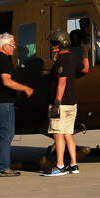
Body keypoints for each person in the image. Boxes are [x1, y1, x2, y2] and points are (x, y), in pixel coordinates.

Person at [0, 33, 34, 177]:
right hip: (3, 102)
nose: (14, 47)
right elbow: (6, 81)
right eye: (12, 45)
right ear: (5, 46)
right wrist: (25, 88)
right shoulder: (4, 60)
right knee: (6, 133)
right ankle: (2, 167)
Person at [42, 29, 81, 176]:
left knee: (58, 134)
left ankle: (59, 165)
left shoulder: (62, 60)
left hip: (61, 103)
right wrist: (85, 53)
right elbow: (85, 68)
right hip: (72, 102)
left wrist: (56, 103)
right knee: (68, 133)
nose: (52, 46)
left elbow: (62, 82)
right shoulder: (74, 57)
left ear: (62, 43)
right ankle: (74, 164)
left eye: (54, 43)